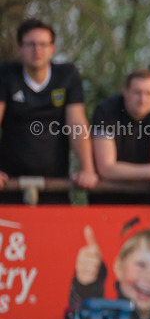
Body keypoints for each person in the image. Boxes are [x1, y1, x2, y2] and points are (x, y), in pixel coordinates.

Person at [0, 18, 98, 203]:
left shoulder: (67, 75)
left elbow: (76, 123)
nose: (37, 50)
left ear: (53, 48)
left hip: (55, 183)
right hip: (8, 183)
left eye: (43, 44)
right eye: (31, 44)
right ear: (19, 48)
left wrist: (87, 168)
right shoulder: (5, 74)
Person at [89, 68, 150, 205]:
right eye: (137, 93)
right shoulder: (106, 111)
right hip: (104, 199)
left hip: (144, 201)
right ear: (125, 92)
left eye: (148, 93)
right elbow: (106, 168)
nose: (142, 99)